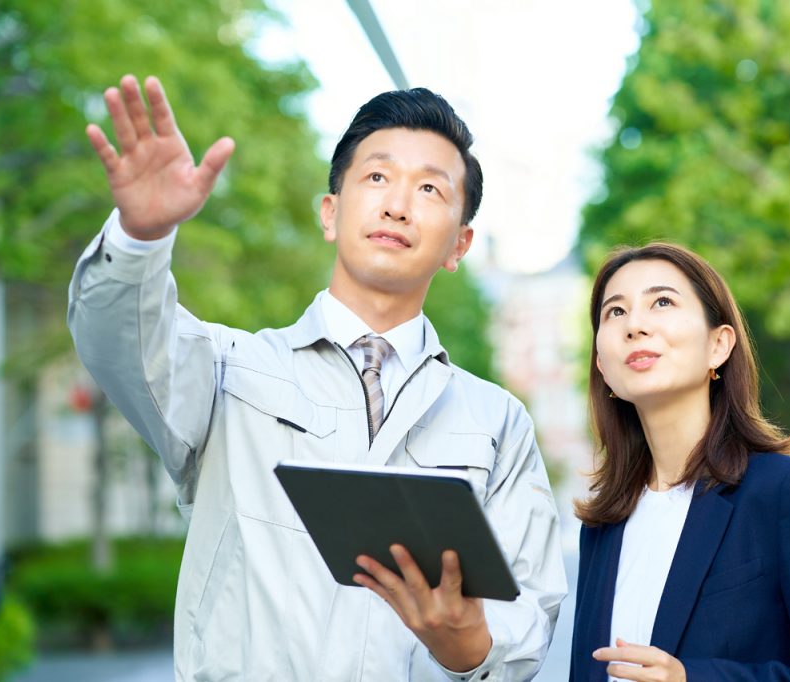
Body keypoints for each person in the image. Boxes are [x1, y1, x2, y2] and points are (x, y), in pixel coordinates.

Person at [69, 74, 566, 681]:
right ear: (330, 213)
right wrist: (141, 239)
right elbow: (119, 339)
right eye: (377, 177)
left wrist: (468, 644)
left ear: (458, 245)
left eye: (430, 188)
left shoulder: (497, 422)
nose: (396, 204)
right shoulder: (229, 373)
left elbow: (532, 610)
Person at [569, 243, 790, 681]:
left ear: (719, 345)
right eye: (615, 312)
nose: (635, 325)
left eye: (661, 302)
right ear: (603, 365)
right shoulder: (604, 525)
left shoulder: (789, 494)